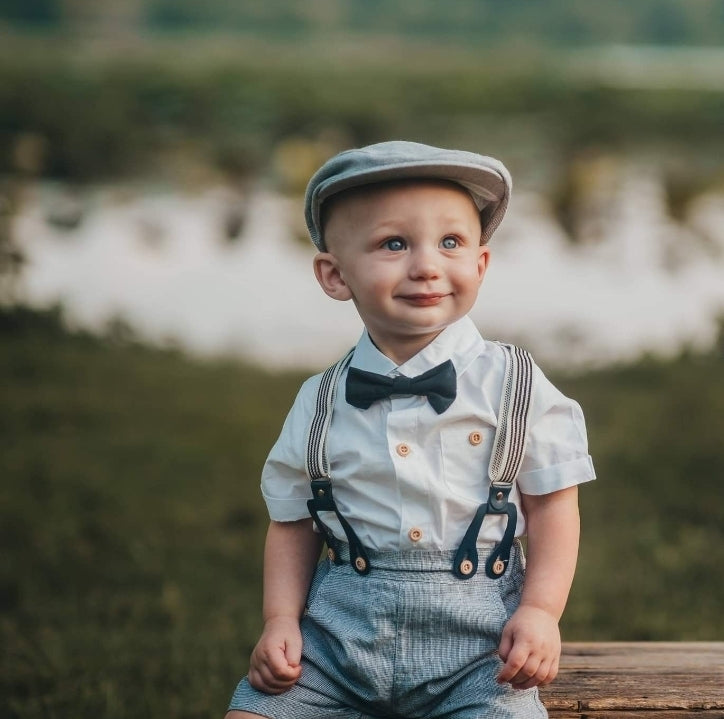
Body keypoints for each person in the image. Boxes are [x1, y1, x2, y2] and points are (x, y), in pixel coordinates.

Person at [226, 141, 596, 719]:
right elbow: (293, 521)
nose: (426, 265)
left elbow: (553, 505)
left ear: (480, 263)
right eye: (393, 244)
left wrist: (541, 611)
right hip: (337, 647)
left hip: (479, 653)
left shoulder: (517, 385)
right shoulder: (319, 399)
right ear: (334, 274)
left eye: (450, 242)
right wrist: (279, 620)